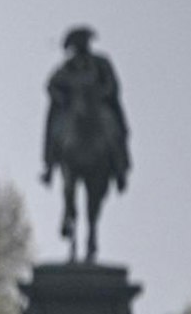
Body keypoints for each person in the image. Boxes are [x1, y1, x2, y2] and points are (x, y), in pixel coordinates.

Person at [42, 26, 130, 191]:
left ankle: (120, 168)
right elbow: (51, 85)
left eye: (82, 44)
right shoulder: (67, 67)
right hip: (72, 108)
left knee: (114, 128)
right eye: (76, 46)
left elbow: (112, 84)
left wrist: (102, 94)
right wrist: (62, 98)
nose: (80, 48)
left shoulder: (101, 63)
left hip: (99, 106)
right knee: (55, 127)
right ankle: (49, 166)